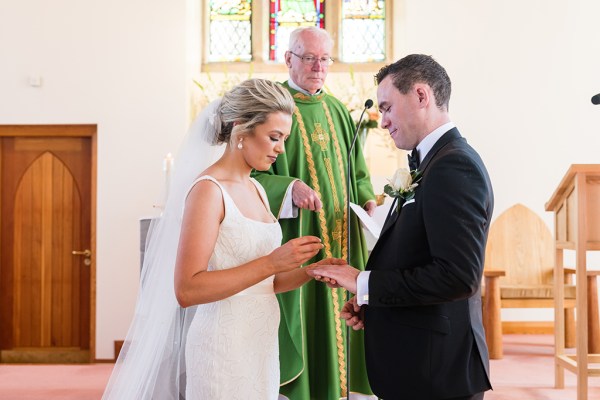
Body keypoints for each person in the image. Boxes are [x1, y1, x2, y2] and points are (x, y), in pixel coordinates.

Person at [102, 78, 328, 400]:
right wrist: (271, 262)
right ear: (241, 129)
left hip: (261, 343)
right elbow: (187, 289)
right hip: (222, 348)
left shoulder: (258, 189)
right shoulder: (209, 190)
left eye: (285, 138)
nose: (280, 148)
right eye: (274, 137)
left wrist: (311, 271)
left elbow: (265, 283)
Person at [309, 54, 494, 400]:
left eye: (388, 107)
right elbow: (420, 254)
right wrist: (374, 301)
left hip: (435, 370)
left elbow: (456, 276)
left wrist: (362, 281)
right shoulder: (435, 162)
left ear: (421, 96)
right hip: (421, 362)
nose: (383, 121)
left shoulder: (453, 166)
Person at [252, 26, 377, 399]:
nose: (318, 67)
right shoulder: (272, 109)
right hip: (299, 236)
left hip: (342, 237)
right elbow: (253, 172)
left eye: (325, 59)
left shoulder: (337, 109)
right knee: (307, 315)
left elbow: (357, 168)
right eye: (309, 57)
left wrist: (368, 197)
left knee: (344, 312)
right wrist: (289, 187)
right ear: (289, 59)